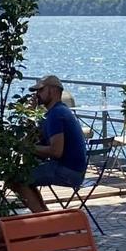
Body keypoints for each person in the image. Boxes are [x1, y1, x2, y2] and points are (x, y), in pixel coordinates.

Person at [16, 75, 89, 214]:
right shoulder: (53, 113)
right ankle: (46, 217)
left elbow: (56, 151)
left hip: (68, 171)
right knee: (24, 177)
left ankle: (44, 222)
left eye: (41, 90)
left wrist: (26, 147)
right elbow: (35, 140)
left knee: (16, 178)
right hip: (72, 169)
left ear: (53, 91)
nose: (37, 94)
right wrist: (30, 115)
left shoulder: (56, 114)